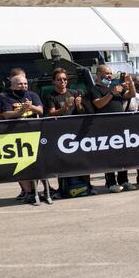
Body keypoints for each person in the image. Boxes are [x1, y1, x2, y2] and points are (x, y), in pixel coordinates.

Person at [0, 74, 47, 205]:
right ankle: (29, 192)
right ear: (12, 85)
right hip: (15, 136)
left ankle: (43, 190)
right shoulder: (4, 97)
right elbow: (6, 114)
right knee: (21, 166)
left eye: (25, 84)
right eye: (20, 84)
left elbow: (41, 110)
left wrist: (30, 107)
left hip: (34, 134)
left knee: (38, 163)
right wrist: (21, 112)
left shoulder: (32, 95)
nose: (23, 86)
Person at [45, 68, 92, 196]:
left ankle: (87, 186)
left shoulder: (74, 92)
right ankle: (63, 189)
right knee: (63, 162)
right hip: (60, 133)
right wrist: (64, 107)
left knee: (82, 160)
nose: (63, 82)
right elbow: (51, 113)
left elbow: (81, 112)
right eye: (59, 80)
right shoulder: (51, 95)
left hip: (77, 132)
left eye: (65, 79)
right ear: (54, 81)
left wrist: (78, 106)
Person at [90, 65, 136, 192]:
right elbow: (99, 104)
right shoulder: (95, 89)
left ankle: (124, 180)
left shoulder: (114, 87)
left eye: (110, 73)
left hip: (120, 126)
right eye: (107, 73)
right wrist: (112, 93)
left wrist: (130, 82)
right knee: (109, 156)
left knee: (123, 154)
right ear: (99, 75)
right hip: (105, 127)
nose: (109, 75)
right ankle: (111, 183)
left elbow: (131, 94)